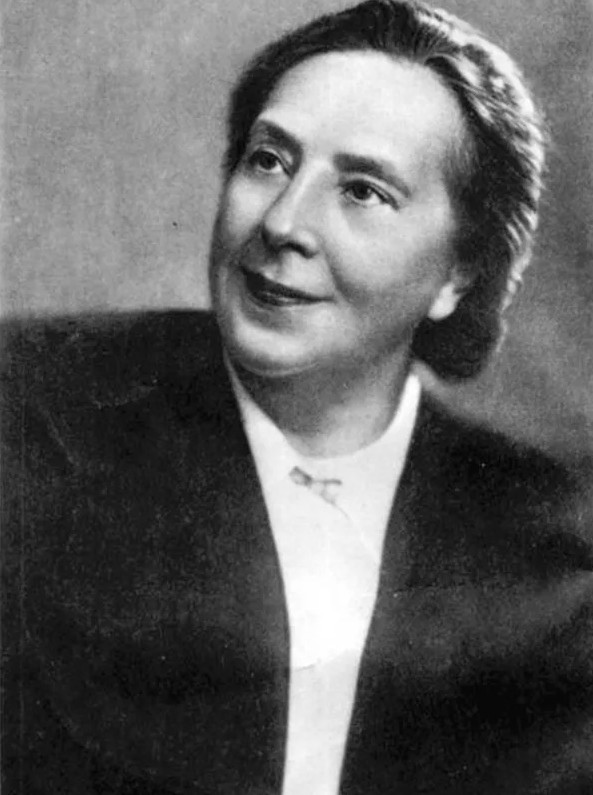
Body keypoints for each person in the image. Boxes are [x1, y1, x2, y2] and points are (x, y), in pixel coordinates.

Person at [2, 1, 592, 793]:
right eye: (269, 161)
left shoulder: (547, 538)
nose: (283, 222)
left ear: (458, 273)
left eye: (362, 190)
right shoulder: (29, 414)